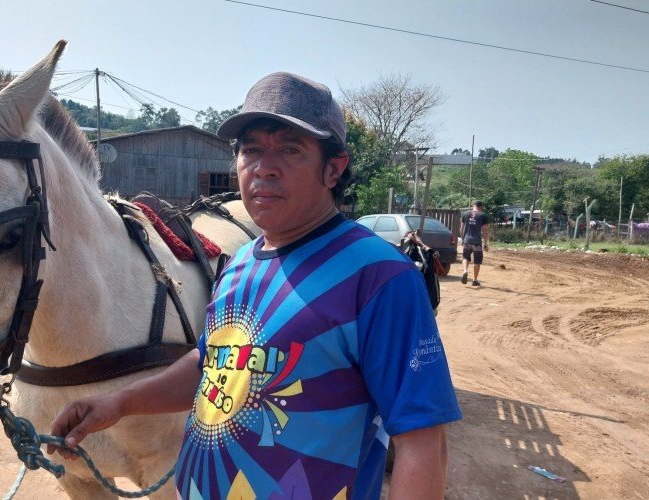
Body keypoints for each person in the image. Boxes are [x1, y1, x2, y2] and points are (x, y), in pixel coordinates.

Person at [49, 72, 461, 499]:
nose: (264, 167)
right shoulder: (239, 263)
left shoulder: (380, 278)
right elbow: (212, 366)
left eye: (290, 149)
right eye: (251, 150)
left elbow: (422, 443)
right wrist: (118, 403)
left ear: (333, 168)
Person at [460, 200, 489, 286]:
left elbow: (461, 228)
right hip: (477, 242)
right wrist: (485, 243)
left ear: (473, 205)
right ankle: (475, 280)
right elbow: (485, 231)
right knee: (477, 262)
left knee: (465, 257)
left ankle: (465, 271)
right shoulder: (483, 216)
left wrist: (463, 239)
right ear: (481, 207)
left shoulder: (465, 214)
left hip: (467, 241)